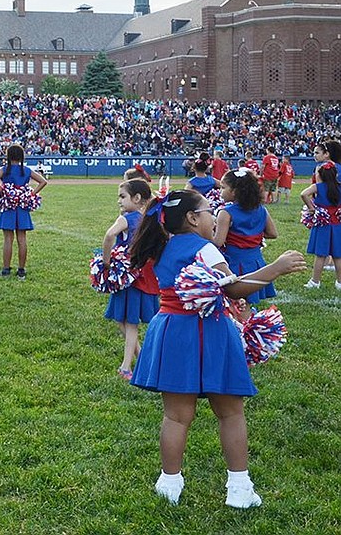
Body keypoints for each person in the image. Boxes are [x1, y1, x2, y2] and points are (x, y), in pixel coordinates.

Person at [129, 188, 306, 508]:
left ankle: (169, 484)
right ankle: (239, 487)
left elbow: (206, 291)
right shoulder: (205, 248)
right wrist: (276, 267)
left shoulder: (165, 247)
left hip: (171, 330)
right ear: (193, 218)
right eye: (209, 210)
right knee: (231, 412)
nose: (215, 216)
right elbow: (234, 286)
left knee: (176, 417)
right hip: (208, 332)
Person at [100, 178, 158, 380]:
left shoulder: (128, 219)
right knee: (121, 319)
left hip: (129, 275)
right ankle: (142, 357)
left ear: (137, 198)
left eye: (122, 197)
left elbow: (109, 236)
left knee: (130, 322)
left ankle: (126, 367)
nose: (119, 201)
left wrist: (106, 262)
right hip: (144, 273)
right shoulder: (150, 218)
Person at [213, 169, 277, 306]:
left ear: (235, 192)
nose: (220, 191)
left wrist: (204, 233)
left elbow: (218, 241)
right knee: (247, 304)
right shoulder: (261, 209)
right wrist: (252, 235)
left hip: (235, 263)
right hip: (256, 262)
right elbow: (272, 233)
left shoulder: (225, 212)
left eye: (223, 188)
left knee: (235, 303)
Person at [0, 144, 48, 280]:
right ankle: (21, 270)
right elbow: (43, 181)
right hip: (22, 207)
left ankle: (6, 269)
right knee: (22, 239)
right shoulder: (26, 170)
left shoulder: (4, 169)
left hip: (8, 206)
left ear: (8, 156)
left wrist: (4, 192)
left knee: (8, 239)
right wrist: (30, 194)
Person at [300, 160, 341, 290]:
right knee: (338, 255)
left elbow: (303, 194)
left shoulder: (318, 187)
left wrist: (311, 208)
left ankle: (315, 281)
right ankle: (340, 282)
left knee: (320, 255)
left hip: (323, 224)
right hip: (338, 225)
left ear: (320, 175)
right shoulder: (339, 186)